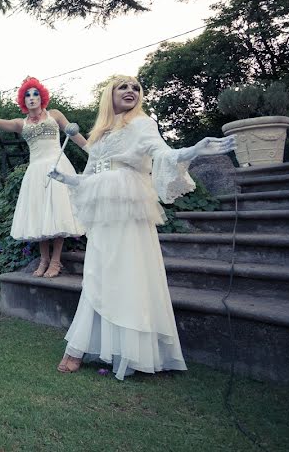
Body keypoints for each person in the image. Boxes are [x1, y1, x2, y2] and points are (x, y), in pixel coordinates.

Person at [48, 75, 236, 378]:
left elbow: (162, 154)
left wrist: (193, 150)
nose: (131, 91)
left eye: (136, 88)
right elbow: (90, 175)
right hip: (104, 211)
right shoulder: (99, 134)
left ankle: (121, 352)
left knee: (128, 273)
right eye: (123, 87)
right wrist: (66, 179)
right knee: (97, 273)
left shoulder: (143, 124)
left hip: (129, 206)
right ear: (109, 94)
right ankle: (82, 345)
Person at [0, 76, 85, 278]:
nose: (32, 98)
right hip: (36, 172)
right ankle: (44, 260)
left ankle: (56, 261)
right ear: (24, 100)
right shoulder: (20, 123)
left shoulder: (55, 115)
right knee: (40, 215)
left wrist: (94, 152)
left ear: (42, 97)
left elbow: (74, 135)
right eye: (28, 95)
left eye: (35, 94)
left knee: (59, 213)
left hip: (58, 167)